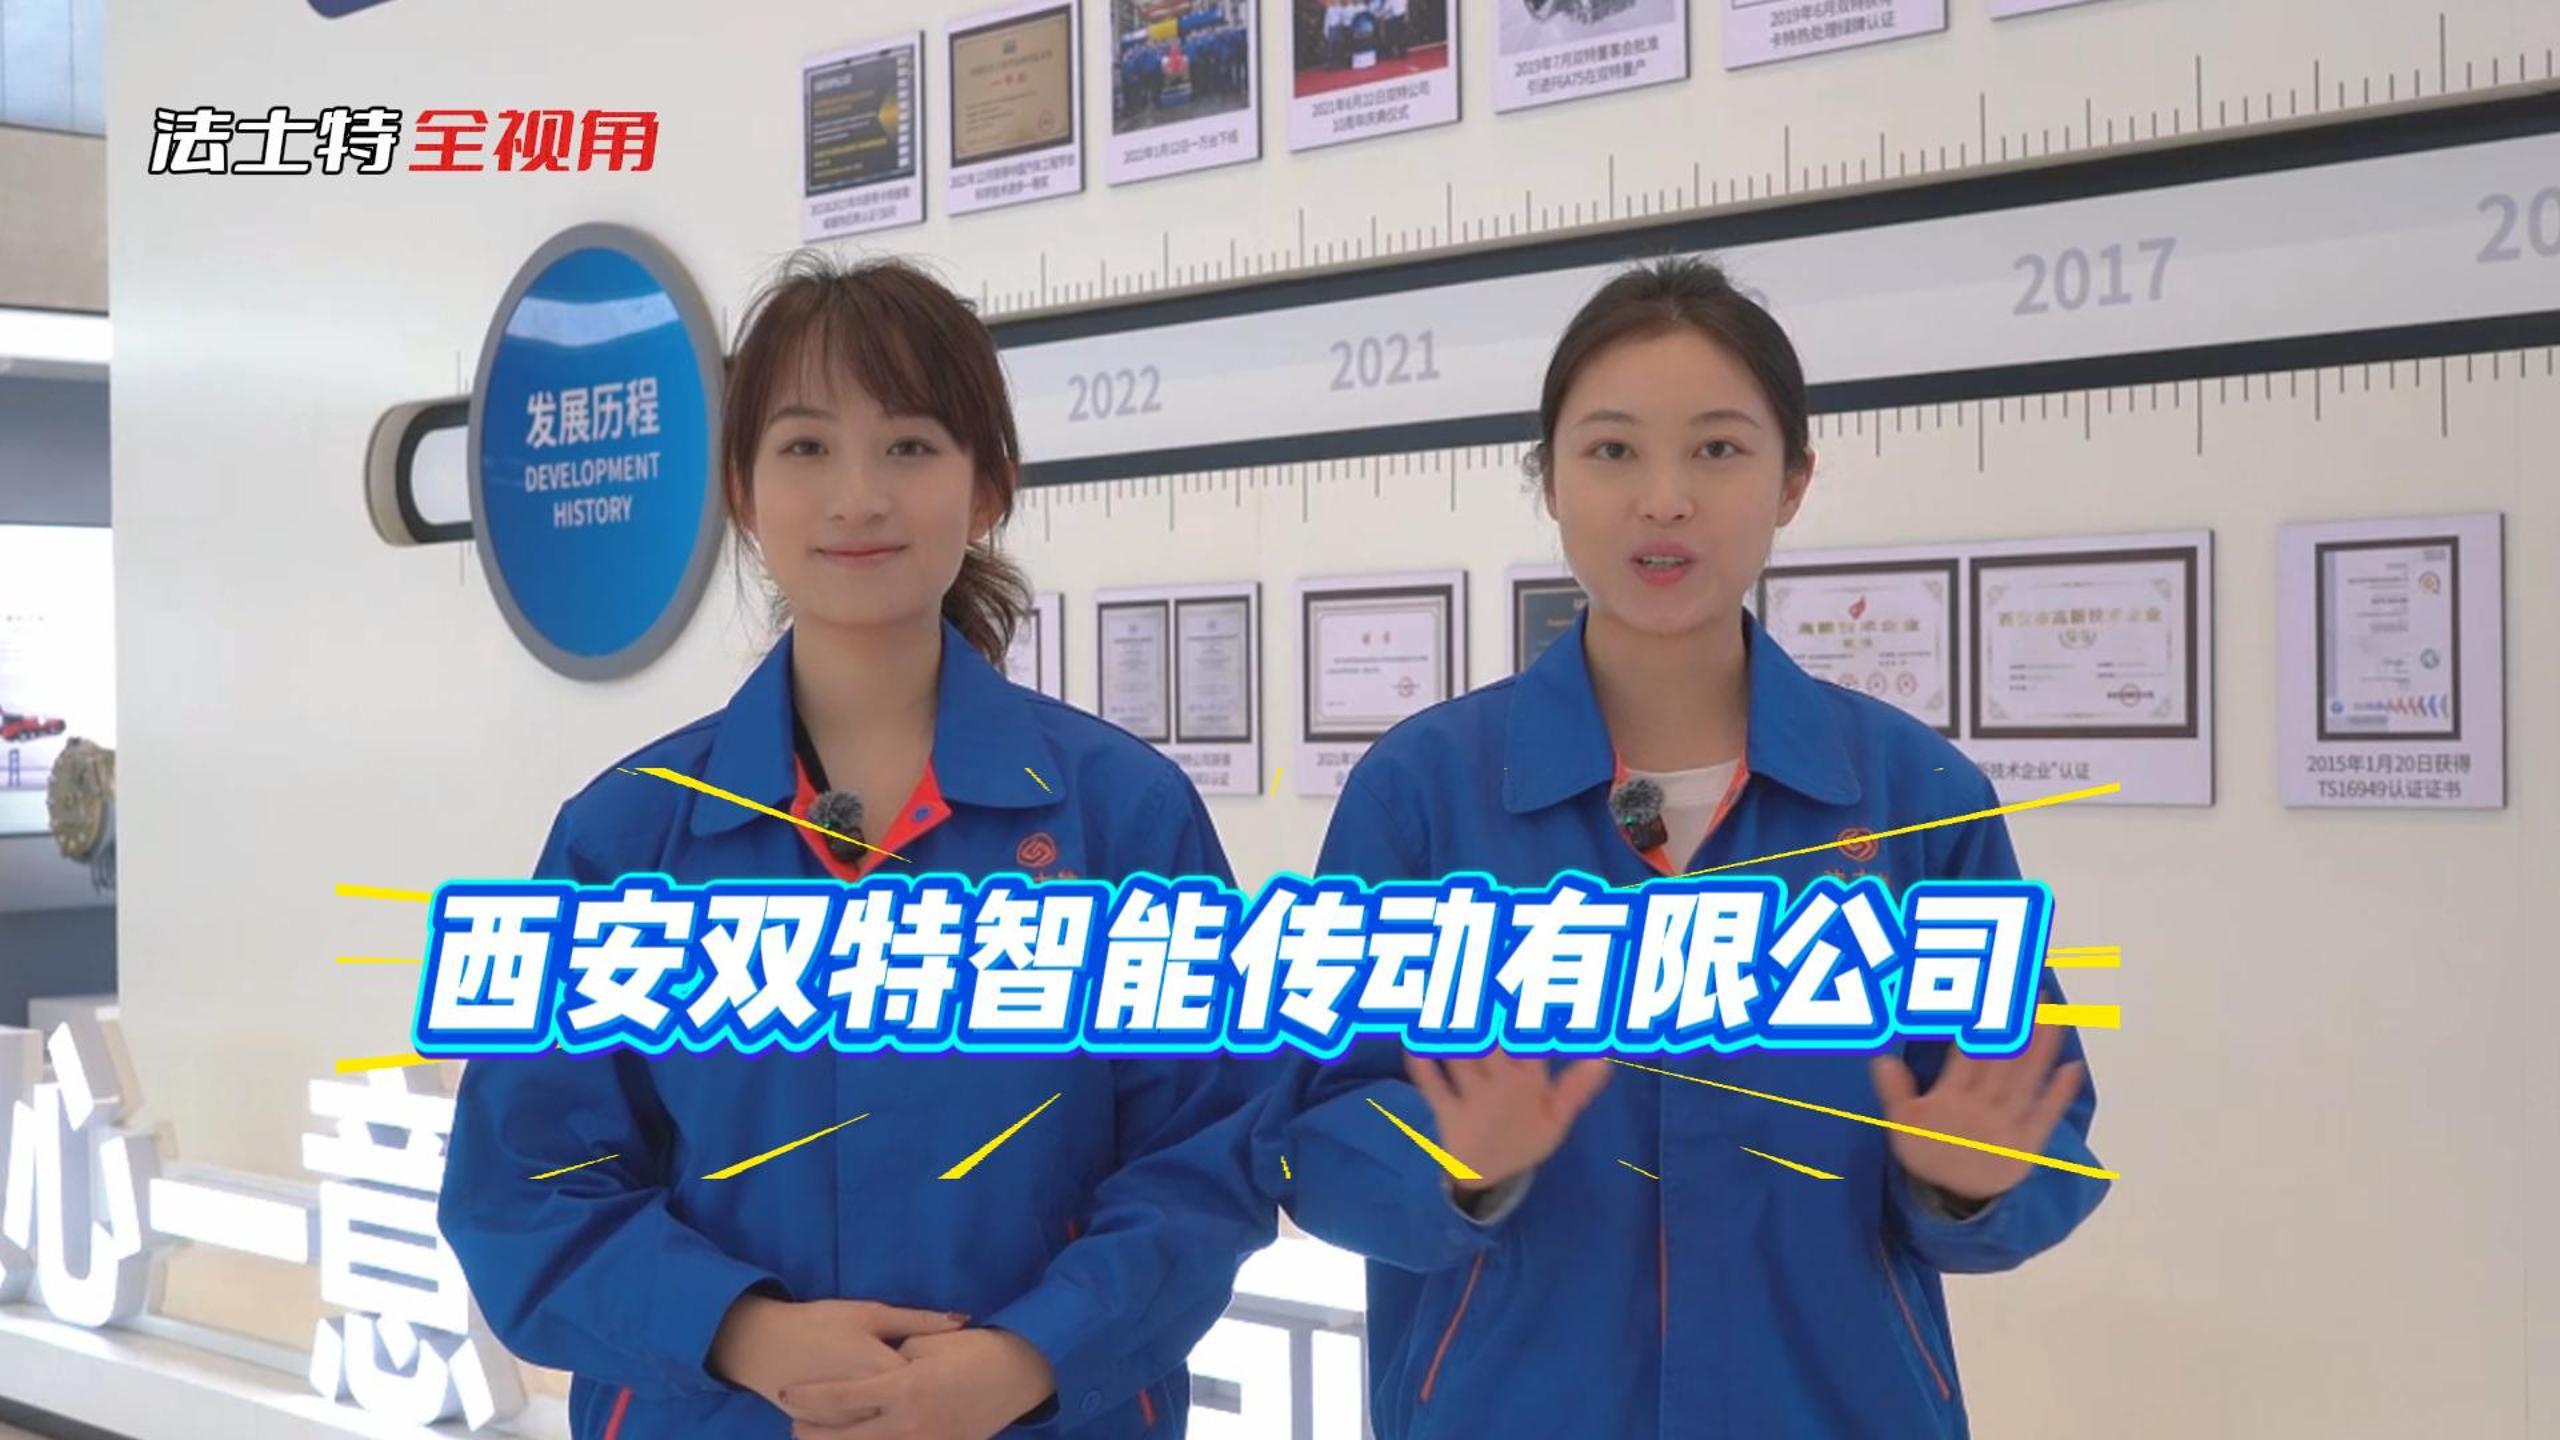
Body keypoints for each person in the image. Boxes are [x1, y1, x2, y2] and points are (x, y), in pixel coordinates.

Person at [1261, 256, 2108, 1438]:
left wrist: (1970, 1186)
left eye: (1717, 449)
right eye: (1612, 450)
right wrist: (1447, 1161)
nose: (1663, 500)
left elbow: (2042, 1124)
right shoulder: (1425, 792)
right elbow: (1306, 1133)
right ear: (1549, 480)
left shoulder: (1914, 796)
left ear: (1792, 480)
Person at [442, 253, 1273, 1440]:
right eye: (805, 447)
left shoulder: (1123, 817)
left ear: (988, 488)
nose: (857, 496)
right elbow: (521, 1184)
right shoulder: (626, 838)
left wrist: (1025, 1357)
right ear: (741, 490)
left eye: (910, 445)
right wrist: (742, 1332)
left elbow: (1209, 1157)